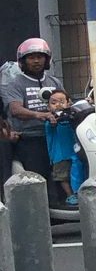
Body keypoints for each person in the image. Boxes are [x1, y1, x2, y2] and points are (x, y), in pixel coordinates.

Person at [1, 38, 63, 202]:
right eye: (31, 57)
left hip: (55, 136)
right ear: (23, 61)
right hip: (30, 137)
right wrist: (39, 115)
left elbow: (65, 103)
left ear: (47, 59)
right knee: (38, 176)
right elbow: (15, 110)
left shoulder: (54, 82)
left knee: (65, 170)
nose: (36, 61)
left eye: (40, 56)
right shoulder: (15, 84)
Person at [44, 89, 80, 206]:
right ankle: (70, 195)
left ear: (69, 103)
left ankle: (77, 192)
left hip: (74, 152)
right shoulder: (51, 121)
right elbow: (51, 124)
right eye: (53, 103)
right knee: (63, 176)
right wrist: (52, 120)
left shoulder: (71, 117)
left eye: (61, 101)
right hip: (59, 155)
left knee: (76, 172)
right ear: (48, 107)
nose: (58, 104)